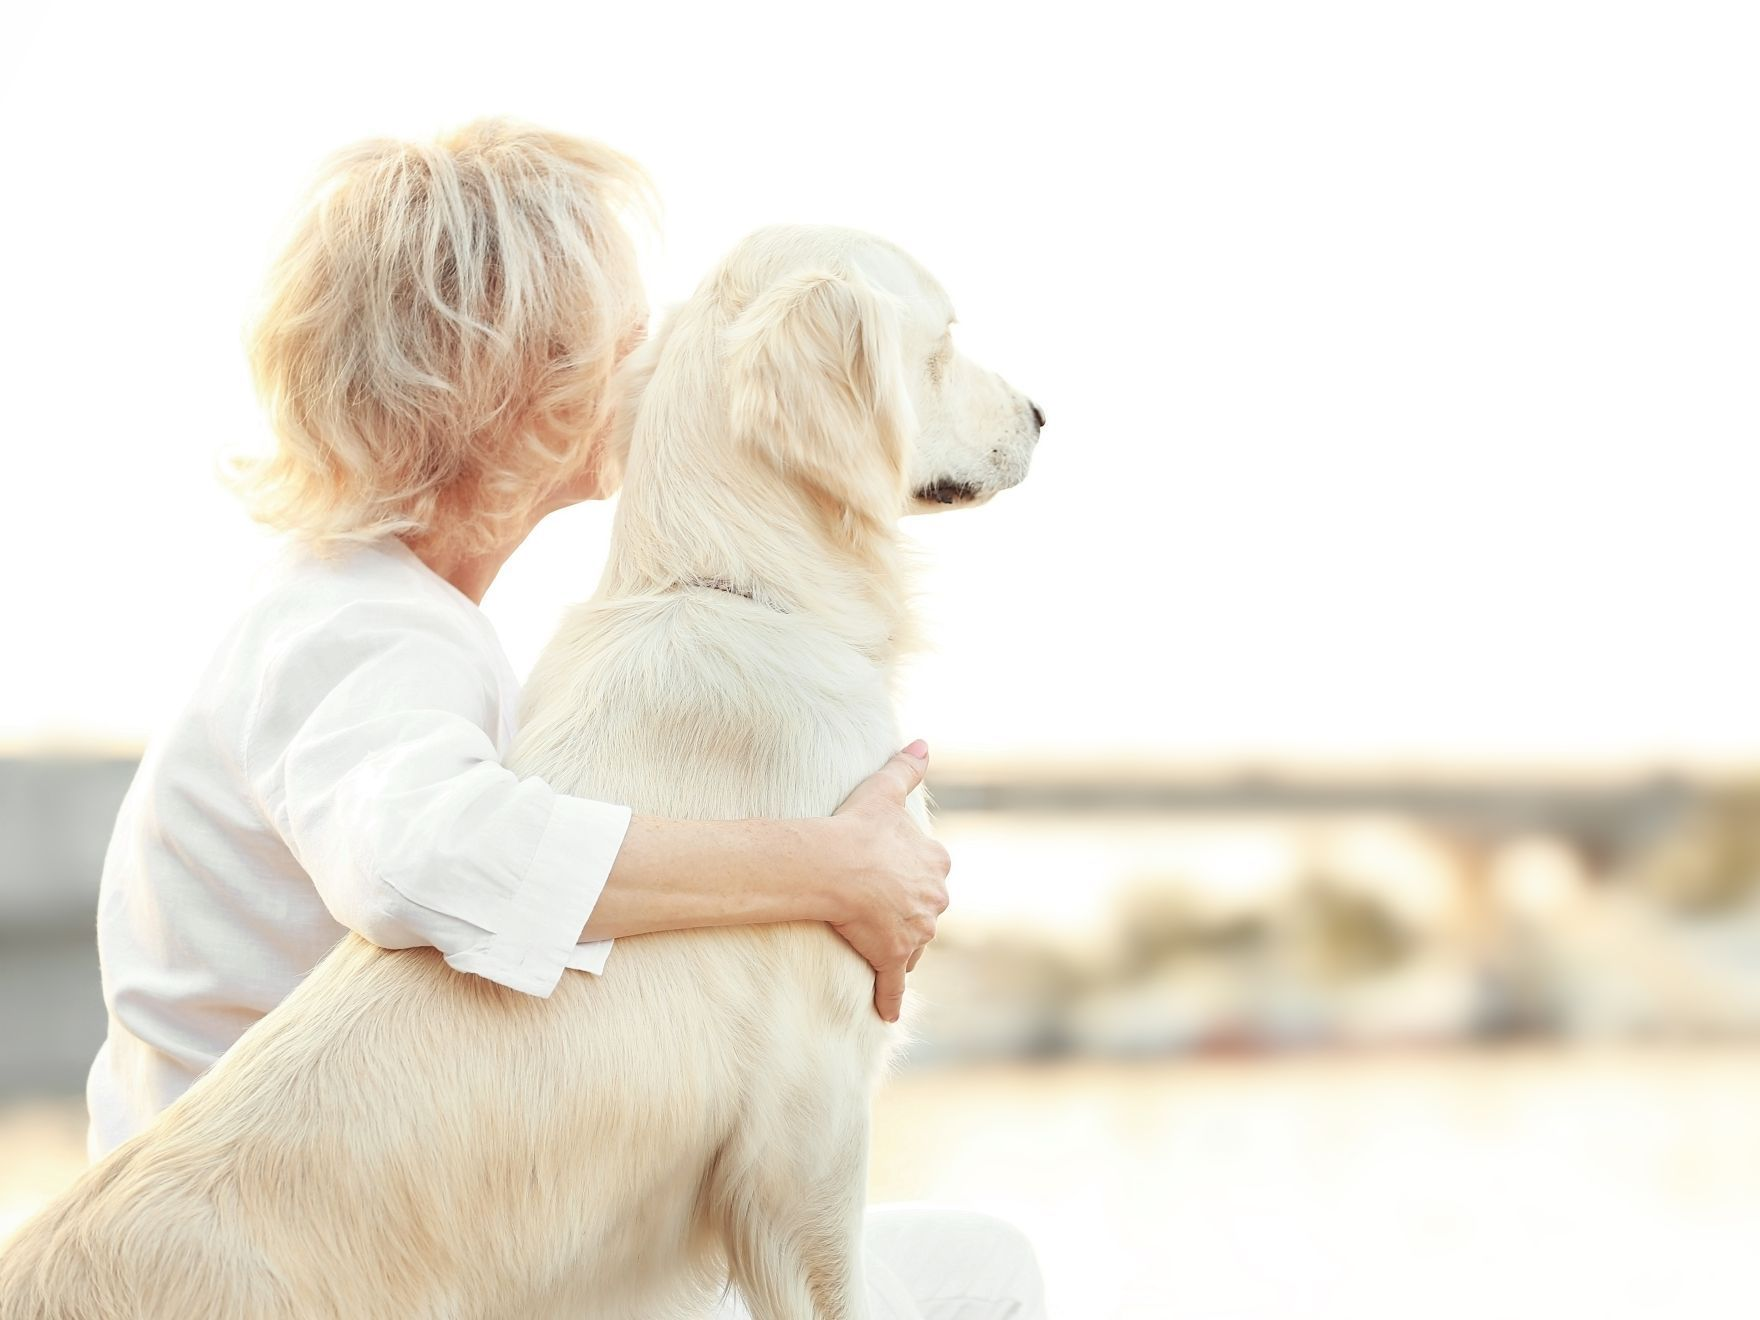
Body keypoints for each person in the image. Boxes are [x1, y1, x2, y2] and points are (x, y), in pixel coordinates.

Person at [86, 117, 1046, 1320]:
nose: (665, 360)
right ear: (511, 389)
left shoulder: (390, 619)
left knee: (973, 1263)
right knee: (985, 1278)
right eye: (627, 339)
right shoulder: (359, 632)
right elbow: (424, 859)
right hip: (299, 1269)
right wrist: (825, 867)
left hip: (406, 1232)